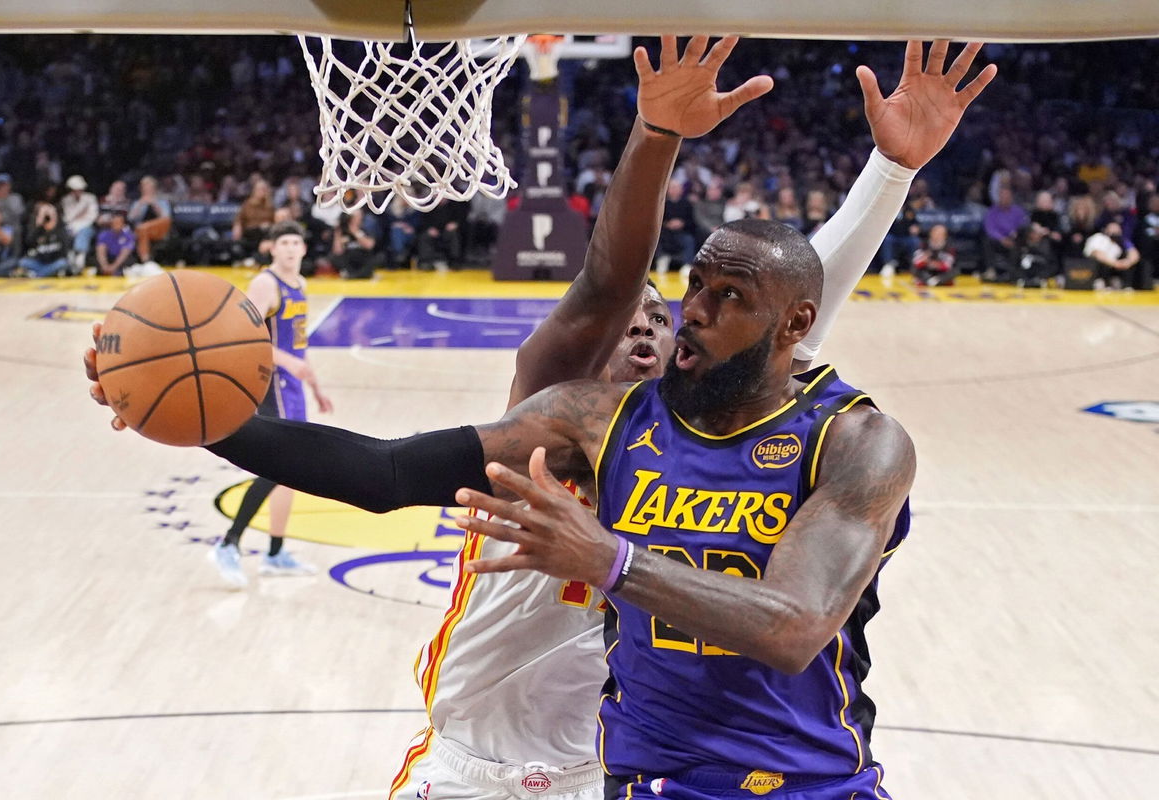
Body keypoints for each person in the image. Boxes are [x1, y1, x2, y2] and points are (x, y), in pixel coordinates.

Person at [86, 39, 994, 800]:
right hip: (478, 764)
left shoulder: (768, 414)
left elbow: (790, 304)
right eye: (646, 314)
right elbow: (384, 469)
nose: (656, 327)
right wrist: (204, 418)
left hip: (610, 769)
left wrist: (890, 171)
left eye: (664, 319)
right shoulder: (568, 410)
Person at [210, 220, 333, 588]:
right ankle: (228, 543)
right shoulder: (266, 284)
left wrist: (314, 385)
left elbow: (297, 343)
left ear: (305, 249)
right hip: (270, 382)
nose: (292, 248)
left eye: (297, 241)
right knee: (279, 467)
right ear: (272, 248)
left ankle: (275, 553)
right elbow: (241, 334)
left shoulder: (301, 284)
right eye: (285, 242)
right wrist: (287, 362)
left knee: (289, 476)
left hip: (293, 384)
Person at [126, 175, 172, 270]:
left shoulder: (162, 202)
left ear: (154, 188)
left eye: (149, 187)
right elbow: (130, 218)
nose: (147, 189)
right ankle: (146, 260)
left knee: (144, 227)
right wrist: (140, 204)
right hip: (142, 231)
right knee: (142, 230)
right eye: (145, 187)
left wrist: (154, 204)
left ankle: (145, 259)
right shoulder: (137, 202)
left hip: (158, 230)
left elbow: (165, 217)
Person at [19, 202, 71, 277]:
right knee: (23, 262)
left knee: (63, 263)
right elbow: (29, 243)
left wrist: (54, 222)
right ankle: (46, 273)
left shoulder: (60, 228)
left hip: (54, 262)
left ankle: (37, 275)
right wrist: (39, 223)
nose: (47, 217)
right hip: (40, 262)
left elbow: (65, 250)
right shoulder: (38, 230)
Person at [61, 175, 99, 272]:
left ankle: (80, 257)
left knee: (84, 232)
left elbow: (92, 216)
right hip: (71, 227)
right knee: (64, 233)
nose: (78, 191)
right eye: (75, 189)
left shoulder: (90, 198)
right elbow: (67, 218)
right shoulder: (66, 200)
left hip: (86, 226)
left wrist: (78, 218)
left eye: (80, 189)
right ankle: (70, 258)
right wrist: (82, 211)